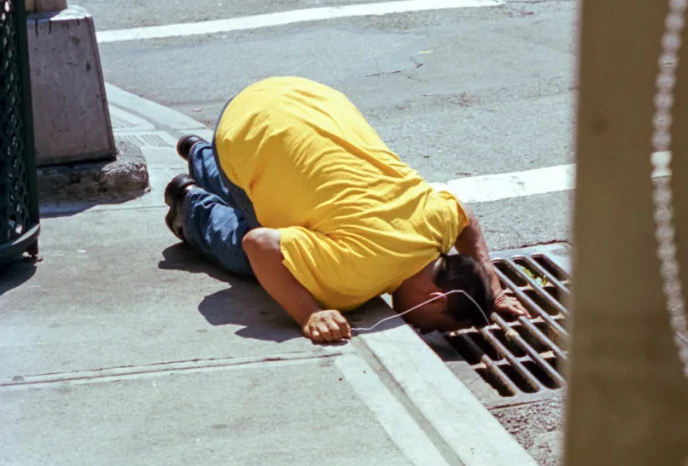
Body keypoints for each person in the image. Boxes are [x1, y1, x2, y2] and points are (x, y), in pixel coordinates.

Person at [162, 76, 527, 344]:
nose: (425, 330)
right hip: (243, 130)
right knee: (265, 267)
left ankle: (199, 154)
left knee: (293, 199)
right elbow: (260, 245)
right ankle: (190, 206)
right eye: (436, 326)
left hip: (300, 94)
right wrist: (309, 312)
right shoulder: (350, 281)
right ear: (437, 298)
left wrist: (493, 290)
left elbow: (465, 217)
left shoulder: (436, 223)